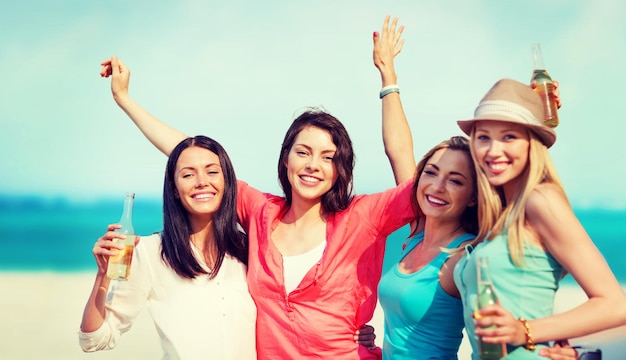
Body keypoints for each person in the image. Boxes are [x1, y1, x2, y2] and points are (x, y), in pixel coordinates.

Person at [99, 57, 416, 359]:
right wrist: (125, 99)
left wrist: (389, 82)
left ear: (341, 167)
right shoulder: (261, 212)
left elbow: (414, 183)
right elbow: (192, 155)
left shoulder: (362, 217)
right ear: (287, 158)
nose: (313, 165)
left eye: (328, 157)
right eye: (303, 152)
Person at [373, 15, 581, 360]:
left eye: (456, 180)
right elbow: (398, 149)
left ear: (473, 197)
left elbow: (534, 280)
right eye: (432, 172)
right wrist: (387, 75)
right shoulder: (416, 232)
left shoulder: (466, 255)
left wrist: (531, 121)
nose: (437, 186)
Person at [454, 77, 626, 359]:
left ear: (531, 143)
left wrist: (527, 330)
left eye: (509, 136)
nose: (493, 150)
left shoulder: (540, 199)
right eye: (484, 137)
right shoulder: (501, 214)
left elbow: (615, 305)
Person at [78, 136, 256, 359]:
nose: (201, 181)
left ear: (227, 182)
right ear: (173, 188)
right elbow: (94, 339)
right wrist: (103, 276)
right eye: (188, 174)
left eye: (212, 171)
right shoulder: (150, 253)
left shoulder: (246, 248)